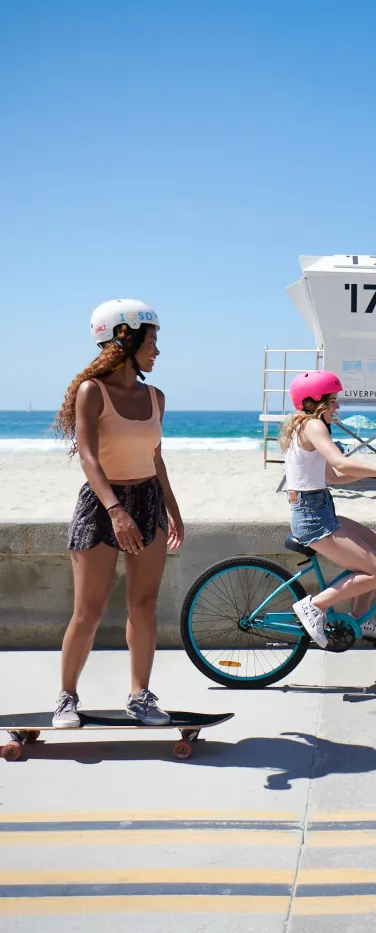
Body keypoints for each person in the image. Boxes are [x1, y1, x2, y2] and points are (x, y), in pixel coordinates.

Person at [51, 299, 184, 728]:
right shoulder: (94, 391)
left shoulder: (156, 397)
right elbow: (89, 458)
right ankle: (66, 698)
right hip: (101, 504)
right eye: (152, 341)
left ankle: (139, 696)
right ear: (123, 340)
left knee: (143, 605)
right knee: (88, 610)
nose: (157, 352)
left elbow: (156, 458)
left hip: (148, 502)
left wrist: (173, 511)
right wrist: (114, 510)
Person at [280, 370, 376, 649]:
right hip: (312, 516)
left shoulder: (306, 427)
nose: (338, 407)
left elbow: (332, 476)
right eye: (334, 400)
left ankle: (362, 619)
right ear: (317, 401)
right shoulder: (313, 425)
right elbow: (341, 464)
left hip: (318, 509)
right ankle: (314, 606)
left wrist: (375, 476)